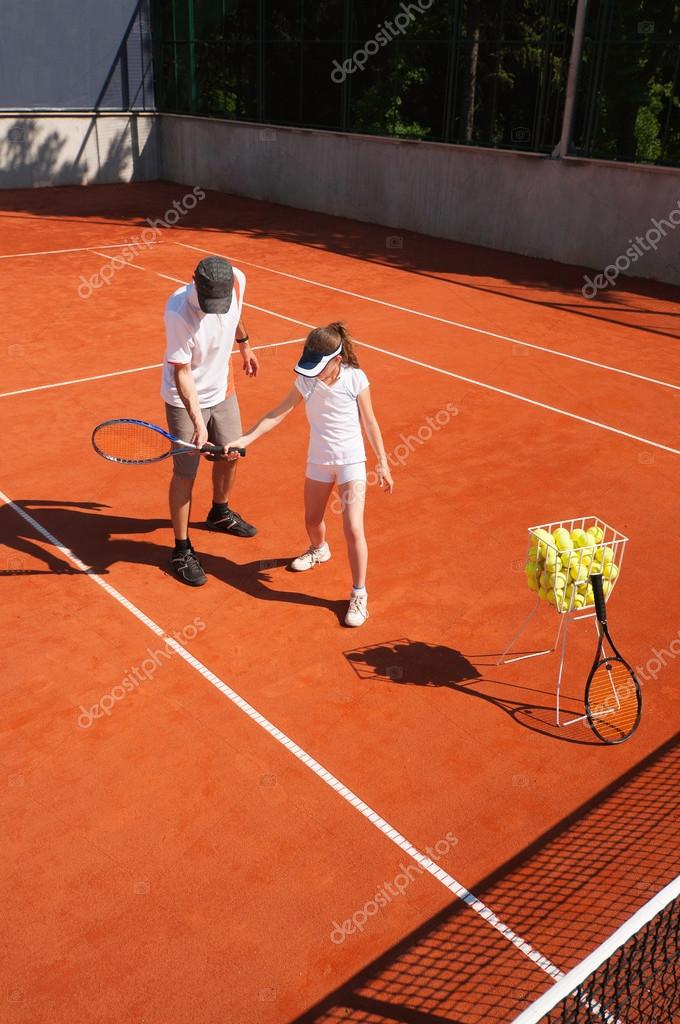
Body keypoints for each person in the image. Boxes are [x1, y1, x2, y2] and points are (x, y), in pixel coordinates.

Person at [229, 322, 393, 626]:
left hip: (351, 462)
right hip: (318, 459)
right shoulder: (307, 381)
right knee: (312, 519)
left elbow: (370, 422)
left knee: (353, 527)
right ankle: (319, 550)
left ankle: (359, 593)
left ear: (337, 361)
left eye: (319, 366)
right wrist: (245, 438)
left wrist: (382, 461)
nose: (312, 370)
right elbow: (277, 413)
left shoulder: (356, 379)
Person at [161, 256, 259, 587]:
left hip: (224, 387)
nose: (216, 309)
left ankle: (219, 512)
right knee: (186, 472)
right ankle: (181, 549)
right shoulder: (178, 311)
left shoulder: (238, 279)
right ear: (195, 283)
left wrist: (244, 346)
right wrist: (198, 423)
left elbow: (237, 313)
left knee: (231, 453)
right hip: (185, 398)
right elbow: (182, 374)